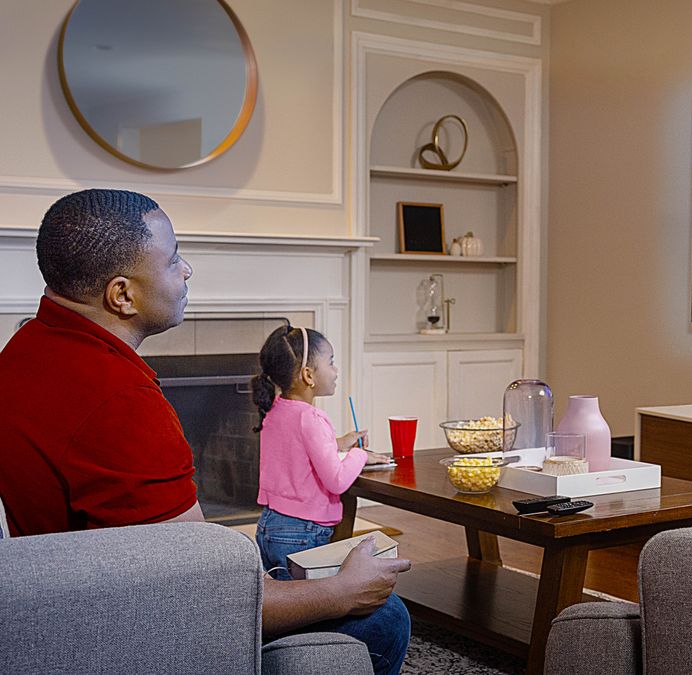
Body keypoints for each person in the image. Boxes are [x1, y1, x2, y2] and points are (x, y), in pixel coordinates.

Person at [0, 189, 410, 675]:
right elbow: (200, 593)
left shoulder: (23, 351)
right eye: (173, 259)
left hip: (67, 603)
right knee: (386, 618)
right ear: (122, 294)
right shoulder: (122, 404)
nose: (187, 270)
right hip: (117, 626)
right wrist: (341, 590)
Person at [252, 324, 391, 578]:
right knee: (309, 606)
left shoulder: (275, 410)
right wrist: (359, 456)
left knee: (287, 603)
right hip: (302, 533)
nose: (336, 371)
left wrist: (340, 443)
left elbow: (296, 452)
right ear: (308, 375)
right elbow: (337, 481)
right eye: (331, 362)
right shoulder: (312, 417)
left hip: (269, 527)